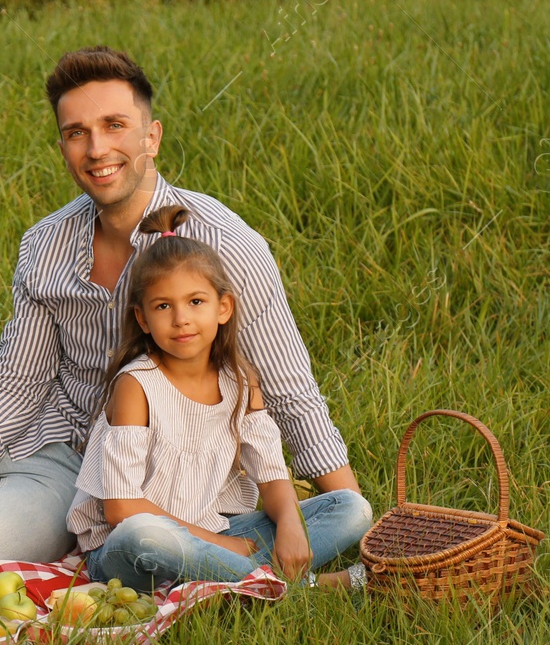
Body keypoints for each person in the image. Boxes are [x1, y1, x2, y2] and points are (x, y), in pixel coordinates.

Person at [0, 46, 360, 563]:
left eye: (115, 126)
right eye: (76, 132)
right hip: (27, 410)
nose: (96, 149)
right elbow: (15, 385)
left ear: (151, 137)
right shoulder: (46, 242)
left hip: (105, 473)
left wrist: (354, 520)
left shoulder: (226, 246)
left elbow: (291, 394)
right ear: (63, 145)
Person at [70, 205, 371, 588]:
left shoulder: (241, 380)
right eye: (164, 306)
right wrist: (223, 545)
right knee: (144, 534)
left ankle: (225, 580)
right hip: (127, 551)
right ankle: (308, 589)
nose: (181, 318)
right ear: (143, 319)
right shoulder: (136, 385)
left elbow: (272, 476)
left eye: (196, 302)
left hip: (218, 530)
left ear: (223, 307)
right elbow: (121, 510)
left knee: (350, 508)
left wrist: (291, 525)